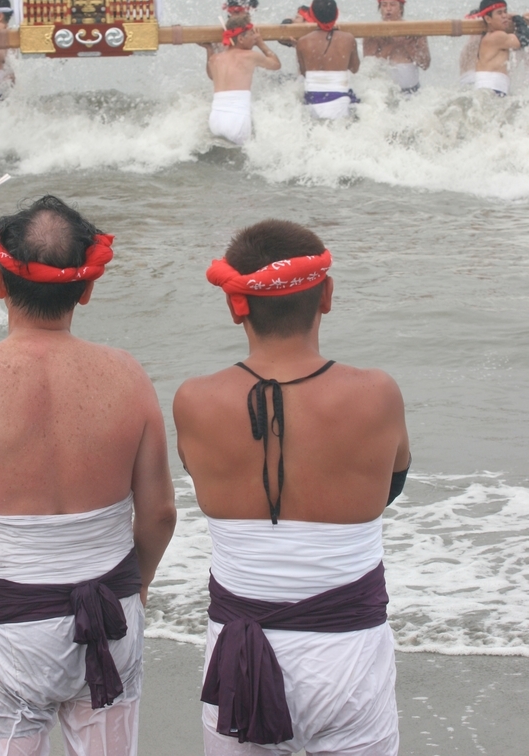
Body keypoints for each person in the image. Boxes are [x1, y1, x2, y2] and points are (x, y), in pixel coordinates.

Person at [0, 195, 176, 756]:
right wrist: (139, 585)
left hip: (16, 631)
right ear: (87, 289)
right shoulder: (127, 375)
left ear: (0, 282)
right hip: (113, 617)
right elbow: (159, 514)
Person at [174, 218, 410, 756]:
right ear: (326, 295)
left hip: (237, 655)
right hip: (348, 660)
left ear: (235, 305)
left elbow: (198, 475)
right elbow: (389, 486)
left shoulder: (194, 400)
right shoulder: (377, 394)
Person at [207, 20, 281, 146]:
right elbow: (276, 64)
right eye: (252, 34)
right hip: (237, 118)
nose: (254, 37)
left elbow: (212, 75)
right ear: (241, 39)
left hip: (215, 118)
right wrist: (261, 43)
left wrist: (210, 49)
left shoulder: (215, 58)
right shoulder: (251, 56)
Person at [296, 0, 360, 119]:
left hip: (313, 99)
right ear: (336, 14)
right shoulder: (348, 39)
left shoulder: (303, 42)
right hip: (340, 99)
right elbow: (354, 68)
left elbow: (304, 72)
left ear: (313, 16)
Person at [362, 0, 430, 93]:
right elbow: (370, 69)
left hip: (413, 91)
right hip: (383, 93)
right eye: (384, 5)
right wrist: (393, 45)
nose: (388, 9)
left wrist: (408, 46)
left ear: (401, 8)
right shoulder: (372, 33)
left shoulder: (415, 30)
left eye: (392, 5)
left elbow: (425, 64)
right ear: (380, 8)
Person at [471, 0, 529, 97]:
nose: (504, 16)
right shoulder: (497, 36)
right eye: (499, 13)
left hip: (491, 90)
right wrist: (518, 18)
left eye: (505, 12)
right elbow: (524, 40)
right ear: (488, 19)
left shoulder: (490, 37)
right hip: (491, 90)